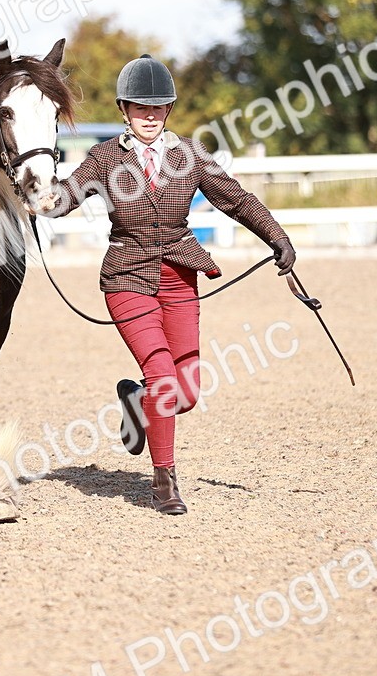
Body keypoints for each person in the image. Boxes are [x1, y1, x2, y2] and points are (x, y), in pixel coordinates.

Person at [43, 54, 295, 515]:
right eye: (140, 107)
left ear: (169, 110)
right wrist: (39, 187)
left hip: (180, 279)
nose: (150, 116)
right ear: (123, 109)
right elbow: (64, 200)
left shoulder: (190, 155)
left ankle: (138, 402)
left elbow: (235, 199)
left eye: (158, 108)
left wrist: (276, 236)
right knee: (162, 376)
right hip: (127, 278)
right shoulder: (104, 158)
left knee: (187, 393)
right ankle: (164, 483)